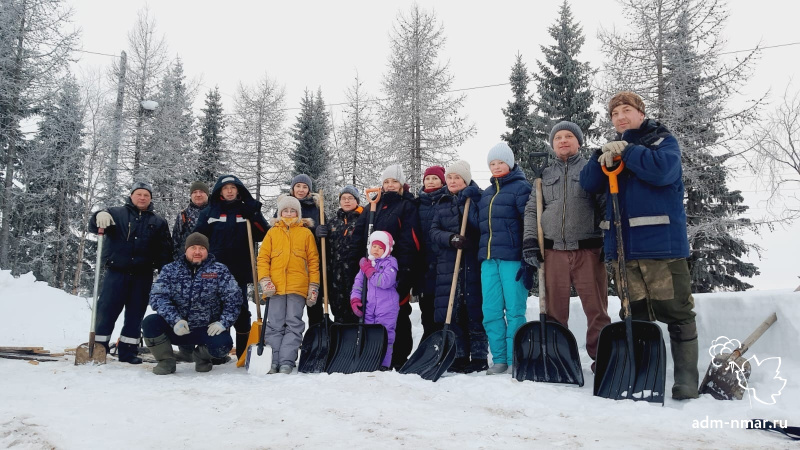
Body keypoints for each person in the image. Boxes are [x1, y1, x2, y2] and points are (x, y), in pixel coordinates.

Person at [579, 91, 699, 400]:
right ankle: (645, 374)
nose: (620, 116)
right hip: (623, 251)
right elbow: (589, 184)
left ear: (641, 114)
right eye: (614, 113)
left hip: (661, 248)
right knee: (635, 316)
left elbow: (663, 172)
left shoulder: (663, 142)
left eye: (626, 110)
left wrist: (630, 151)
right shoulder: (611, 152)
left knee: (677, 313)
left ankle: (686, 379)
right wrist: (597, 158)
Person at [522, 121, 610, 372]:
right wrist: (530, 242)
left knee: (596, 309)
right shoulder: (543, 175)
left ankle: (600, 358)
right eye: (558, 137)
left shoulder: (591, 171)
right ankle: (559, 358)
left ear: (579, 142)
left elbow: (606, 206)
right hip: (553, 253)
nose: (563, 140)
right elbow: (532, 210)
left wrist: (609, 240)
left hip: (589, 250)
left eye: (569, 136)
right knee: (554, 310)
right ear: (552, 144)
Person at [87, 181, 172, 364]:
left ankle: (128, 352)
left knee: (135, 314)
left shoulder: (158, 222)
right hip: (116, 272)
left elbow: (164, 251)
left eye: (146, 195)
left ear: (151, 199)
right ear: (131, 196)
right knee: (107, 311)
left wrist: (165, 275)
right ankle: (99, 349)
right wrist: (98, 216)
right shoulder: (115, 214)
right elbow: (94, 226)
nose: (142, 198)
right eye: (139, 194)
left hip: (142, 275)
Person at [347, 164, 421, 369]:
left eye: (394, 181)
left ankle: (398, 357)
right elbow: (359, 236)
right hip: (369, 269)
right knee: (370, 313)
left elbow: (410, 242)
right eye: (386, 181)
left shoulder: (407, 206)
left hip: (392, 270)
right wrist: (355, 264)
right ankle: (373, 356)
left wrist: (405, 273)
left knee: (398, 312)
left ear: (401, 184)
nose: (389, 185)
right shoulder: (374, 205)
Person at [143, 233, 243, 374]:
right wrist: (175, 320)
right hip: (177, 328)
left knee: (223, 344)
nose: (197, 252)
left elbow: (234, 298)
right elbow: (157, 297)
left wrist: (223, 323)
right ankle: (166, 361)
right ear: (186, 250)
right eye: (193, 248)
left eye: (202, 248)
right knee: (150, 323)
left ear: (207, 251)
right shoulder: (170, 270)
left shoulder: (219, 270)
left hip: (206, 329)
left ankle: (201, 357)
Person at [194, 174, 269, 360]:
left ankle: (244, 351)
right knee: (216, 308)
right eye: (225, 188)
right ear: (220, 190)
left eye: (233, 188)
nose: (229, 191)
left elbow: (264, 234)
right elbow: (197, 239)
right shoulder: (210, 212)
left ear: (238, 190)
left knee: (240, 308)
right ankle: (218, 351)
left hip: (240, 269)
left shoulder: (246, 210)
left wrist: (254, 215)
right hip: (214, 270)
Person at [478, 143, 532, 375]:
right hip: (489, 260)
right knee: (490, 311)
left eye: (500, 162)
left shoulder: (522, 188)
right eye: (492, 163)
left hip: (512, 259)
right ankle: (499, 358)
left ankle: (514, 357)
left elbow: (528, 222)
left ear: (510, 163)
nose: (497, 167)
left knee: (514, 310)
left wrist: (528, 256)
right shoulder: (486, 194)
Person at [429, 160, 488, 373]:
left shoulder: (476, 198)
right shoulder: (442, 202)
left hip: (471, 262)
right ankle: (460, 355)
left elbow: (482, 224)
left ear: (466, 179)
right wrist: (451, 238)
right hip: (449, 264)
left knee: (474, 311)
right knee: (454, 311)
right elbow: (434, 231)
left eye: (457, 178)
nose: (453, 181)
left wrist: (466, 203)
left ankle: (480, 356)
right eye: (450, 178)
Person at [256, 195, 320, 374]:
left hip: (297, 288)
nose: (289, 213)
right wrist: (265, 280)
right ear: (280, 212)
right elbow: (262, 259)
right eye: (286, 210)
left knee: (294, 324)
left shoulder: (306, 233)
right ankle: (273, 360)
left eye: (293, 210)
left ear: (299, 213)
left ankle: (287, 361)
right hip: (274, 288)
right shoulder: (272, 232)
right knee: (275, 324)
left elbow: (313, 262)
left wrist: (313, 287)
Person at [170, 180, 212, 363]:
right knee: (184, 304)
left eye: (201, 192)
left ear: (207, 194)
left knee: (211, 304)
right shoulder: (183, 215)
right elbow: (176, 239)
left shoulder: (213, 212)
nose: (198, 195)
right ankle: (185, 349)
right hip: (186, 266)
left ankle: (209, 349)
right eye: (194, 192)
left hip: (208, 263)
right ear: (191, 195)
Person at [350, 231, 399, 371]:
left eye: (380, 247)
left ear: (387, 249)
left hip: (387, 306)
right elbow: (358, 284)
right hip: (370, 306)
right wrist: (355, 300)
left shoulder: (390, 263)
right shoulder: (367, 264)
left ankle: (384, 363)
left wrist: (369, 270)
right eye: (374, 246)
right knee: (369, 334)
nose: (376, 250)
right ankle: (370, 361)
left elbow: (385, 282)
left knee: (385, 334)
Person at [281, 174, 326, 327]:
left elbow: (326, 232)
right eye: (298, 186)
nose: (301, 190)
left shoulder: (316, 208)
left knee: (314, 302)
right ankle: (290, 339)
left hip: (312, 261)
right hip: (290, 263)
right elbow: (276, 231)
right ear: (292, 188)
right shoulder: (284, 207)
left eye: (305, 187)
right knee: (291, 305)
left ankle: (316, 334)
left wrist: (322, 233)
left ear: (309, 190)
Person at [416, 165, 447, 341]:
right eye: (427, 178)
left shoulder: (447, 199)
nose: (431, 181)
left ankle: (443, 339)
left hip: (443, 260)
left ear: (442, 181)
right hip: (423, 262)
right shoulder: (418, 202)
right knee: (426, 305)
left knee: (441, 304)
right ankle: (429, 340)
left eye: (435, 178)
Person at [323, 186, 363, 324]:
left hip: (356, 274)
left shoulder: (363, 221)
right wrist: (319, 234)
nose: (346, 201)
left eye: (350, 198)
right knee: (338, 310)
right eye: (343, 198)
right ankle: (340, 342)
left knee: (356, 309)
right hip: (335, 275)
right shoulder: (332, 223)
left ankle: (357, 340)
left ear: (357, 201)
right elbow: (324, 250)